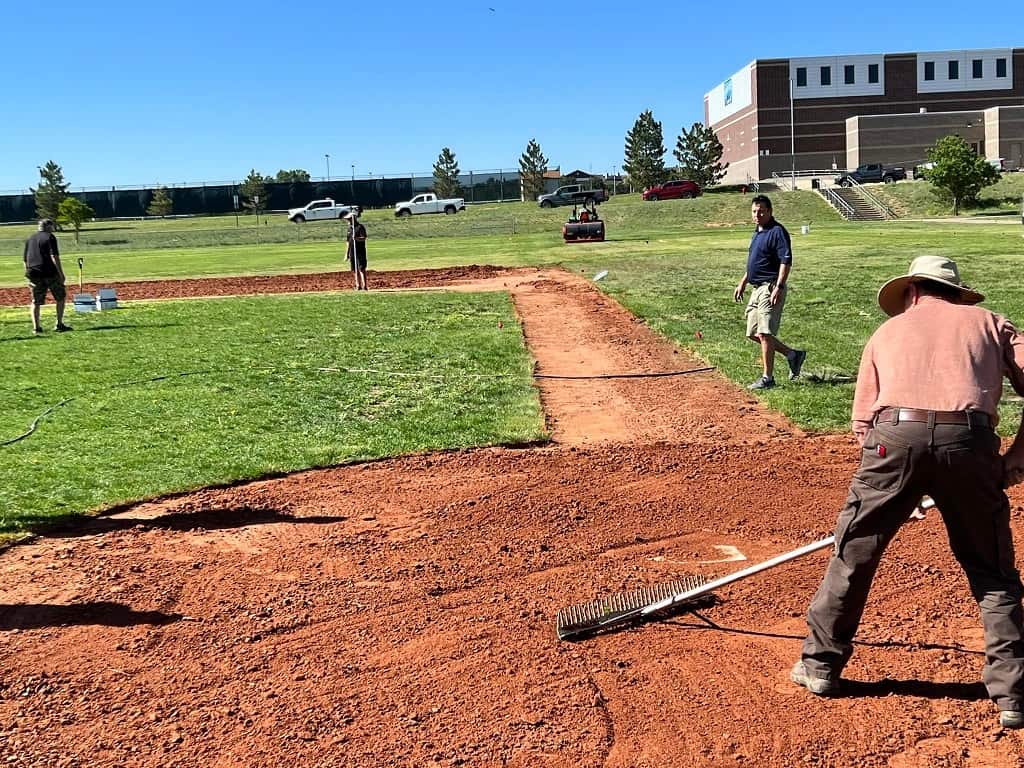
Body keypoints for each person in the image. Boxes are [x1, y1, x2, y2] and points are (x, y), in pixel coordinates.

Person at [790, 255, 1024, 730]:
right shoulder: (991, 324)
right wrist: (1018, 457)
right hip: (971, 441)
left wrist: (897, 482)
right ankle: (1012, 695)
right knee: (992, 569)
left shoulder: (887, 332)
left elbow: (862, 424)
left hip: (892, 439)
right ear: (958, 294)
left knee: (853, 552)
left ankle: (820, 665)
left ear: (912, 291)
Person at [733, 194, 805, 389]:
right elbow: (755, 262)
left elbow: (785, 260)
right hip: (756, 288)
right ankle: (793, 355)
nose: (757, 214)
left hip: (770, 286)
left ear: (770, 211)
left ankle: (768, 378)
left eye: (761, 211)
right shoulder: (757, 231)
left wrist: (779, 287)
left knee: (764, 333)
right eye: (754, 211)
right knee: (752, 333)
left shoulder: (777, 231)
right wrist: (742, 283)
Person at [23, 218, 71, 335]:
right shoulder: (50, 237)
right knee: (60, 296)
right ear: (49, 227)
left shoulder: (30, 239)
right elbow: (54, 256)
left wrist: (28, 276)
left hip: (33, 273)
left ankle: (36, 327)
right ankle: (59, 324)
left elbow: (25, 260)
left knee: (36, 301)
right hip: (49, 272)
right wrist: (61, 273)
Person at [345, 209, 368, 291]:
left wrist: (357, 238)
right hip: (352, 251)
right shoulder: (349, 229)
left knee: (361, 268)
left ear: (353, 219)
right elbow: (347, 242)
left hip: (360, 251)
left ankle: (365, 286)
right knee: (354, 269)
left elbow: (364, 238)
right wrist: (346, 254)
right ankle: (358, 285)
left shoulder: (360, 227)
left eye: (349, 219)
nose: (347, 221)